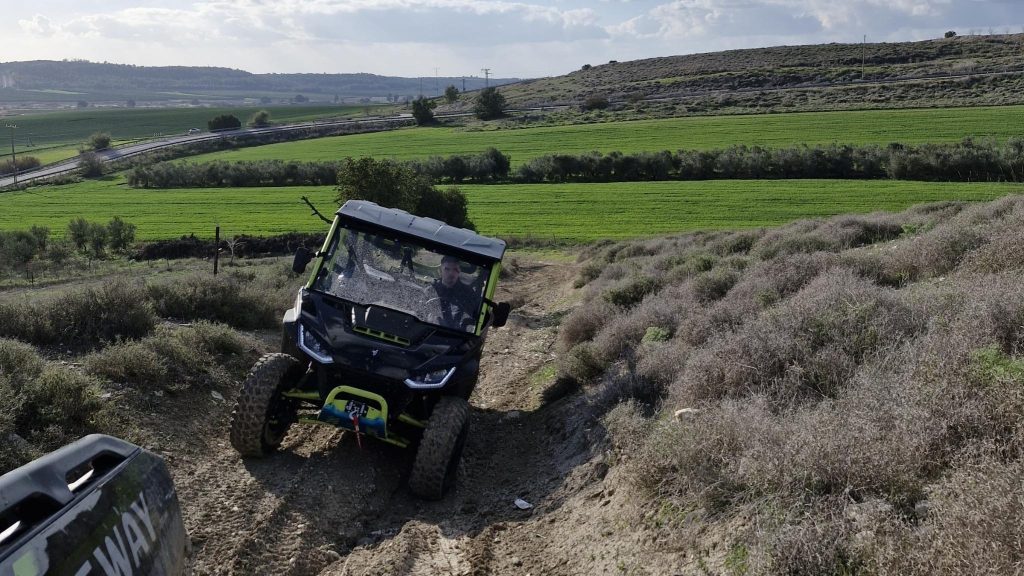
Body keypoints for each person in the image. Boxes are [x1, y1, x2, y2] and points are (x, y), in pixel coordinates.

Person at [431, 255, 478, 329]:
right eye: (447, 269)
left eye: (455, 269)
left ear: (459, 271)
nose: (451, 273)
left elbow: (477, 317)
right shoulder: (431, 290)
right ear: (440, 270)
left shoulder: (468, 293)